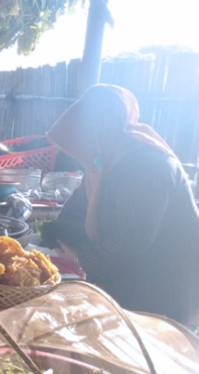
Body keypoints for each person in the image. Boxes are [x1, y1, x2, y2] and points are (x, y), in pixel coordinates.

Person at [46, 84, 199, 324]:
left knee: (138, 355)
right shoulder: (103, 162)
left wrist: (79, 261)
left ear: (102, 127)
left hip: (163, 291)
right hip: (129, 273)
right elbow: (74, 212)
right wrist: (50, 239)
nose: (80, 150)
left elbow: (131, 241)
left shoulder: (147, 166)